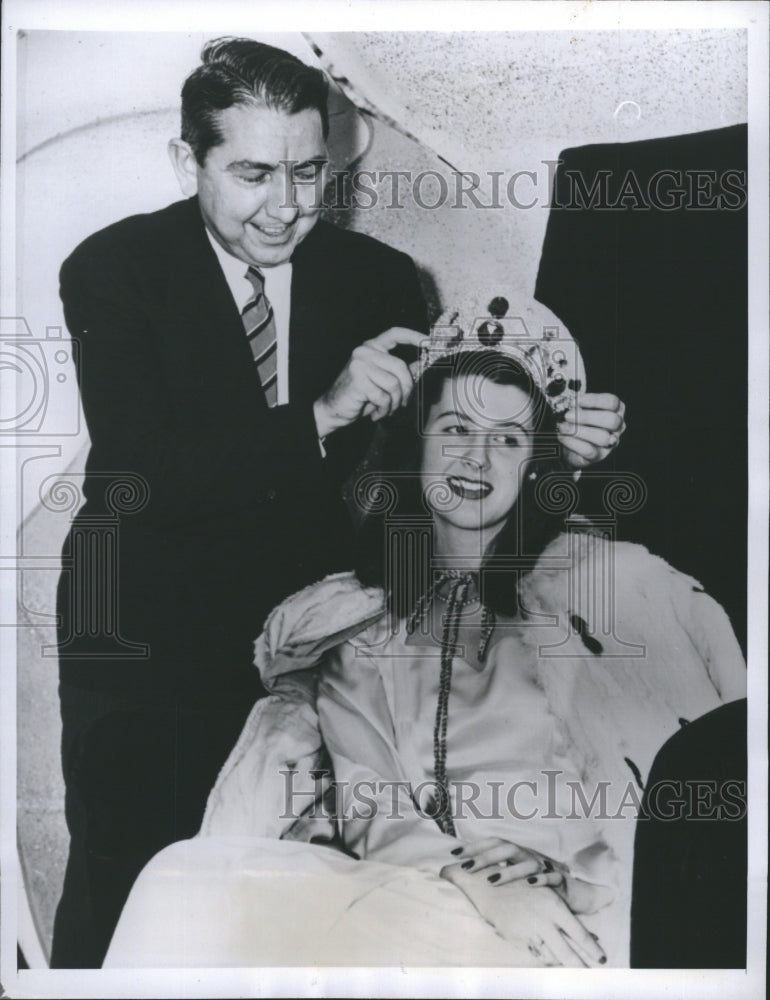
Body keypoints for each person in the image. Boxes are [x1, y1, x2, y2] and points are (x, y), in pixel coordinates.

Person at [51, 37, 625, 969]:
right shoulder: (114, 271)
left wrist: (566, 453)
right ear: (185, 159)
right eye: (252, 173)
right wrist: (319, 415)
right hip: (144, 630)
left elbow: (434, 483)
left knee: (290, 897)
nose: (287, 205)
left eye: (309, 172)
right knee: (138, 885)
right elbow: (139, 473)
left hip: (314, 632)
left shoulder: (380, 280)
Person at [102, 300, 745, 968]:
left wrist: (563, 877)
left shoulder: (617, 590)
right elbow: (369, 801)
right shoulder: (356, 625)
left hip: (591, 922)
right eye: (456, 428)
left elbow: (700, 786)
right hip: (432, 900)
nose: (476, 458)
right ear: (418, 443)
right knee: (184, 884)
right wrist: (477, 881)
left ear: (535, 464)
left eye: (507, 439)